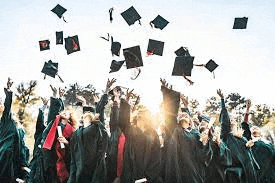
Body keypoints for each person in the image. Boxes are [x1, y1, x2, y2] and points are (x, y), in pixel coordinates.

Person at [217, 89, 258, 183]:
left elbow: (245, 125)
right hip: (234, 175)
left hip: (248, 173)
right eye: (230, 121)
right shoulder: (226, 136)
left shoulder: (242, 138)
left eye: (233, 121)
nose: (232, 122)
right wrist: (222, 100)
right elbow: (224, 121)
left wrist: (248, 147)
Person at [41, 85, 76, 183]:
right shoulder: (54, 123)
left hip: (64, 158)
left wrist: (67, 142)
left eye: (67, 113)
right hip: (51, 155)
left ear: (70, 118)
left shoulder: (72, 130)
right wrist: (55, 95)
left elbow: (75, 146)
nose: (64, 113)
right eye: (63, 111)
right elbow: (54, 110)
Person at [0, 78, 29, 183]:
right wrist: (8, 92)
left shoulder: (18, 129)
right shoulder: (4, 121)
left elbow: (23, 148)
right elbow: (7, 108)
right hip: (5, 159)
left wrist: (24, 164)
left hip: (14, 159)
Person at [242, 99, 275, 183]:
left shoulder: (268, 143)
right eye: (252, 129)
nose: (254, 129)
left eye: (256, 128)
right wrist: (247, 110)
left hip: (270, 175)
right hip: (256, 175)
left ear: (260, 132)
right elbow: (245, 126)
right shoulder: (250, 141)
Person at [29, 97, 49, 183]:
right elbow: (39, 125)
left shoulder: (51, 136)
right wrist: (43, 108)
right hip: (36, 171)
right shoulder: (39, 137)